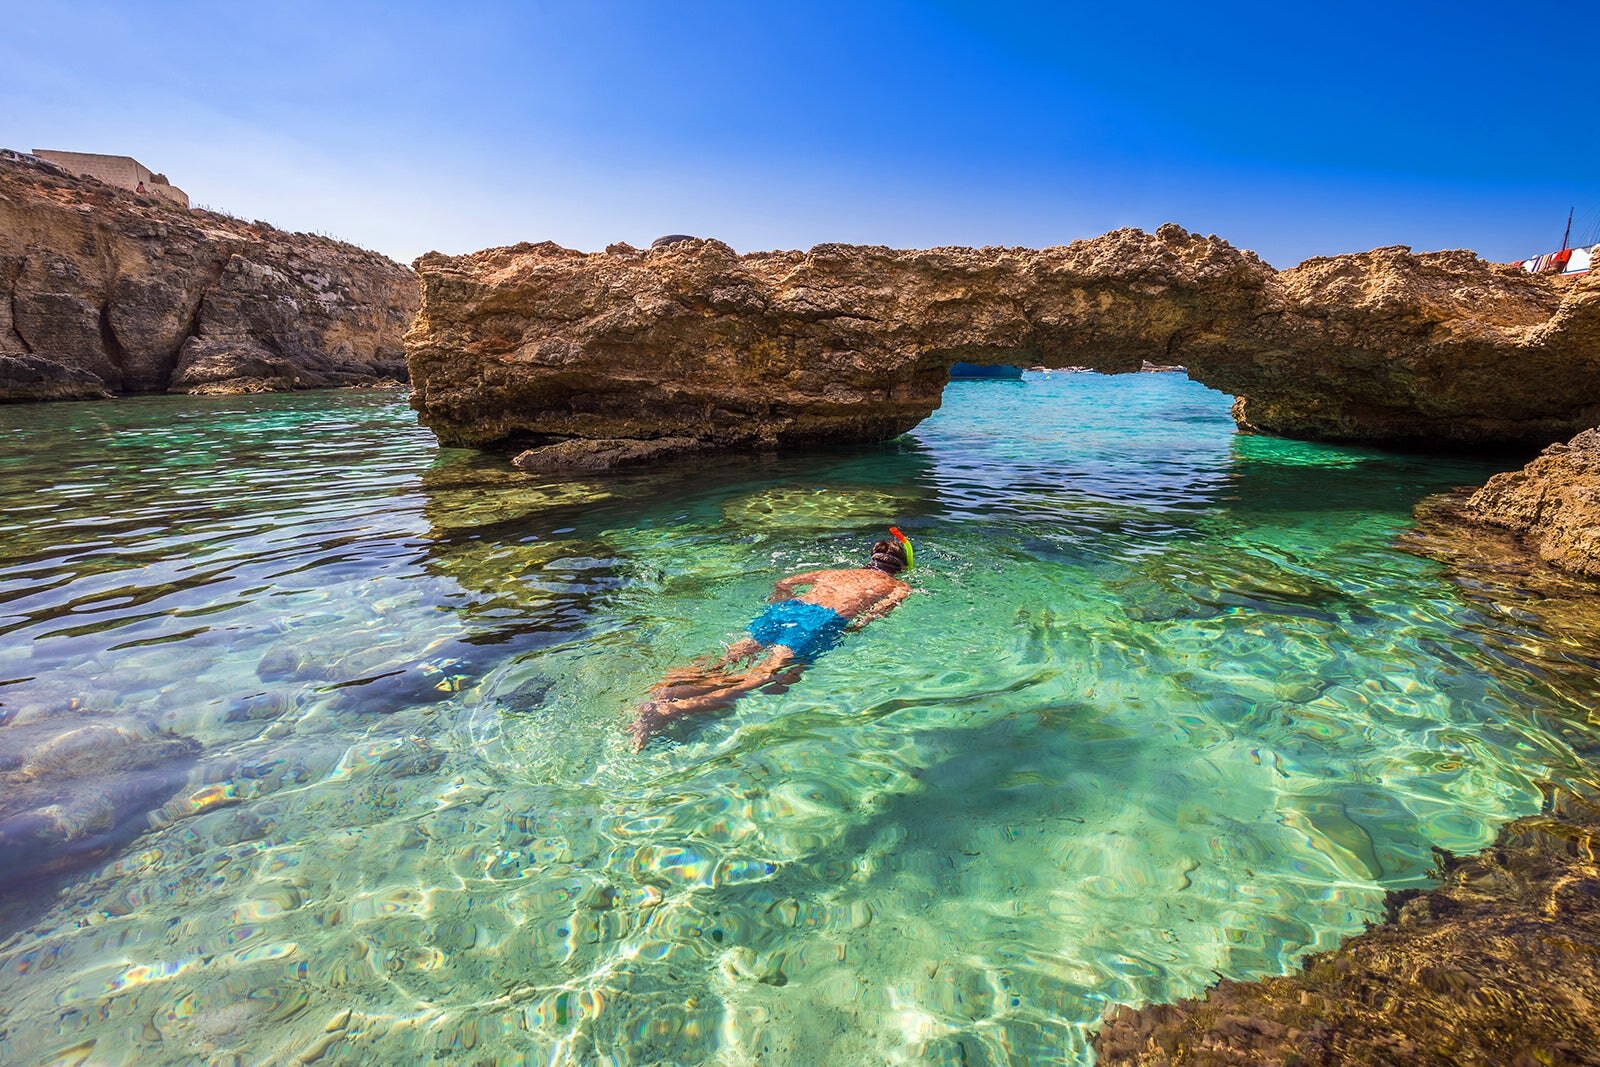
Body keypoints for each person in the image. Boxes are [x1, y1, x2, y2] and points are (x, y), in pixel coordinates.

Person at [631, 528, 916, 748]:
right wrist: (853, 629)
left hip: (789, 609)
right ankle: (669, 711)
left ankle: (663, 690)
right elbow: (874, 616)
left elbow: (785, 583)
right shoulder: (899, 586)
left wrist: (779, 603)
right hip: (820, 622)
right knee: (761, 676)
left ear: (872, 557)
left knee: (727, 656)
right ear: (901, 567)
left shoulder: (836, 571)